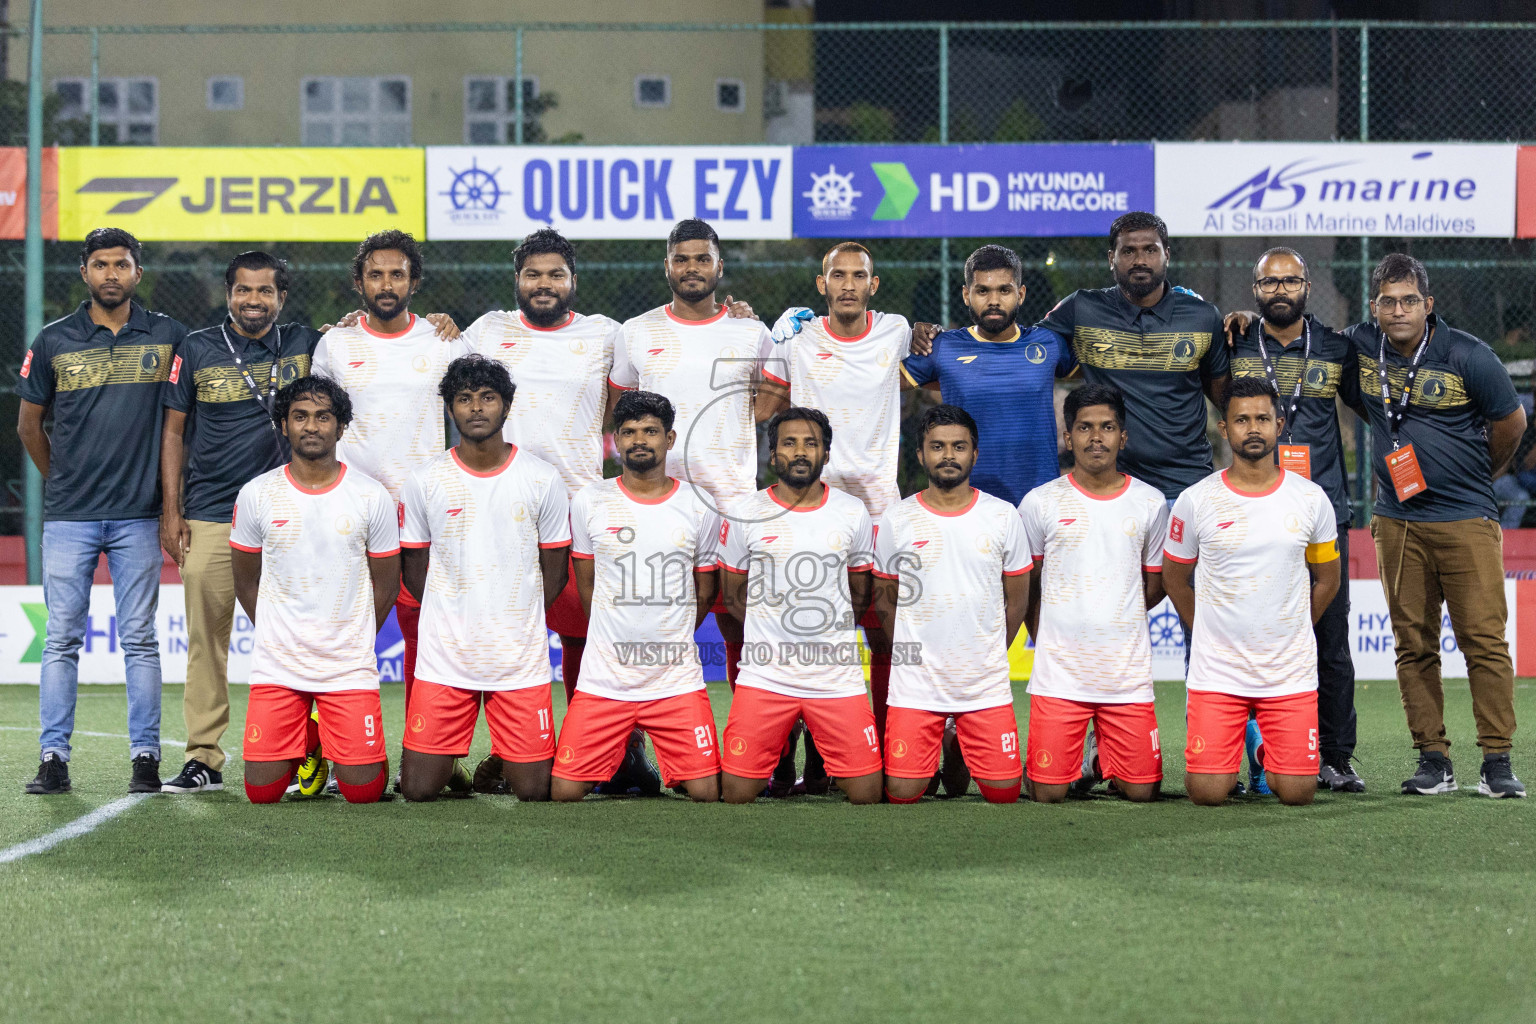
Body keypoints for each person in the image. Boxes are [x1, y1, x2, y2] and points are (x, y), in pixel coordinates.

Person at [756, 242, 942, 795]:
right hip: (808, 506)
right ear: (822, 284)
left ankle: (879, 747)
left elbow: (935, 349)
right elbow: (764, 407)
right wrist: (769, 338)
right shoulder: (799, 337)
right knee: (800, 627)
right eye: (837, 275)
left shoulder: (895, 329)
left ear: (874, 286)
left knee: (882, 631)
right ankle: (790, 758)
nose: (847, 284)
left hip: (879, 508)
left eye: (858, 276)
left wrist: (928, 331)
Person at [1343, 254, 1526, 798]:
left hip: (1467, 519)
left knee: (1484, 642)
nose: (1397, 311)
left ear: (1428, 304)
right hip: (1397, 522)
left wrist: (1479, 476)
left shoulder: (1469, 354)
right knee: (1412, 644)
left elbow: (1511, 423)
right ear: (1374, 307)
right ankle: (1433, 759)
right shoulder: (1360, 348)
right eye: (1387, 302)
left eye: (1408, 301)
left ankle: (1497, 762)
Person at [605, 219, 772, 792]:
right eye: (682, 259)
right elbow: (620, 412)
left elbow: (773, 406)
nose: (692, 268)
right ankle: (631, 756)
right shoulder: (636, 332)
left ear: (719, 267)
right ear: (668, 266)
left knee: (745, 634)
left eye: (703, 259)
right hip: (655, 512)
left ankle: (752, 755)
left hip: (733, 509)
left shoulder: (754, 335)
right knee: (648, 630)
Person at [18, 227, 186, 796]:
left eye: (122, 264)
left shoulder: (168, 336)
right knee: (61, 638)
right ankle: (53, 758)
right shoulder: (52, 340)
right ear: (85, 273)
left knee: (139, 637)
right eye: (100, 265)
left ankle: (145, 758)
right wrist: (63, 480)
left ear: (138, 272)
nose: (111, 274)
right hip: (70, 516)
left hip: (140, 516)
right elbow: (28, 425)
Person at [312, 229, 468, 792]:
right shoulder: (336, 346)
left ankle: (434, 758)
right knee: (343, 638)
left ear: (414, 281)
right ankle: (329, 758)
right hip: (351, 514)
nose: (386, 284)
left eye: (396, 274)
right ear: (359, 283)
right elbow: (316, 423)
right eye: (375, 275)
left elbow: (477, 415)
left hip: (427, 517)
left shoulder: (445, 341)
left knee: (431, 643)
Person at [1162, 377, 1341, 807]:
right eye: (1241, 420)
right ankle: (1249, 742)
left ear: (1279, 425)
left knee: (1297, 793)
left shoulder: (1312, 499)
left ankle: (1263, 752)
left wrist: (1296, 626)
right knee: (1207, 793)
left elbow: (1328, 579)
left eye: (1263, 418)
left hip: (1288, 671)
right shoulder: (1195, 500)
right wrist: (1205, 628)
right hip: (1218, 671)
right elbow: (1173, 577)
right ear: (1224, 429)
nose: (1253, 428)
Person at [397, 356, 570, 802]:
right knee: (416, 791)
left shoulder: (541, 478)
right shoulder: (425, 480)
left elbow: (554, 566)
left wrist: (519, 610)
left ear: (507, 407)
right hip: (445, 656)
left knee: (534, 790)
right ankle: (449, 759)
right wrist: (447, 606)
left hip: (518, 657)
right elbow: (414, 566)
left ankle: (501, 758)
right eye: (464, 399)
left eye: (488, 398)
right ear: (450, 408)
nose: (476, 408)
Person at [1227, 248, 1364, 794]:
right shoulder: (1233, 343)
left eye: (1290, 280)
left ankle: (1337, 757)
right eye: (1269, 282)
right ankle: (1238, 761)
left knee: (1329, 638)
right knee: (1241, 636)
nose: (1280, 290)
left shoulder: (1337, 348)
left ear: (1308, 287)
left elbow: (1371, 407)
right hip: (1245, 511)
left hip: (1320, 511)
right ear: (1255, 289)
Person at [230, 375, 400, 805]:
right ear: (283, 425)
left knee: (364, 793)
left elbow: (388, 583)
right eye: (300, 416)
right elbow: (246, 580)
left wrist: (356, 636)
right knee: (261, 793)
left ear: (341, 427)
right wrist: (276, 631)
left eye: (324, 417)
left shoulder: (370, 495)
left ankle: (326, 741)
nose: (311, 426)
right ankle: (311, 737)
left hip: (347, 666)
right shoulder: (257, 494)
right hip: (279, 666)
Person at [552, 391, 723, 802]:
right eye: (628, 432)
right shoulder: (590, 501)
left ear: (670, 438)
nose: (639, 440)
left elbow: (705, 589)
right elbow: (587, 585)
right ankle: (629, 760)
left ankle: (655, 761)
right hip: (605, 678)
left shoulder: (700, 504)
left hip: (674, 678)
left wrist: (673, 629)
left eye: (650, 431)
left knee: (707, 793)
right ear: (615, 440)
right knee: (563, 792)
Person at [717, 407, 882, 805]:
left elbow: (859, 591)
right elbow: (734, 593)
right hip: (766, 676)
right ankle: (786, 741)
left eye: (812, 443)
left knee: (868, 794)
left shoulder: (851, 511)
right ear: (773, 455)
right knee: (736, 794)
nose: (801, 452)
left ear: (826, 454)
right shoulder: (746, 511)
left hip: (834, 677)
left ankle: (819, 749)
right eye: (789, 443)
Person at [873, 405, 1031, 805]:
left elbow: (1017, 600)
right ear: (921, 454)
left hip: (983, 685)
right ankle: (941, 737)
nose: (948, 455)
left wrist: (991, 649)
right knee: (904, 794)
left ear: (974, 454)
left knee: (1005, 794)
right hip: (916, 686)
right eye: (937, 446)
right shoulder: (897, 519)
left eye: (959, 447)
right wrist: (909, 651)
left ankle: (958, 739)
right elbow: (885, 598)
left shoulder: (1002, 515)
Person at [1018, 383, 1168, 803]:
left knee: (1141, 792)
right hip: (1060, 674)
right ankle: (1079, 755)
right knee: (1047, 793)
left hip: (1126, 675)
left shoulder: (1150, 502)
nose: (1096, 437)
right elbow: (1029, 583)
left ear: (1124, 436)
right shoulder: (1039, 502)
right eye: (1084, 428)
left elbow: (1153, 585)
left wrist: (1117, 611)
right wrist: (1046, 637)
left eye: (1107, 427)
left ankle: (1101, 756)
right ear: (1068, 437)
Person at [1036, 212, 1230, 501]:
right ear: (1111, 258)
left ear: (1167, 255)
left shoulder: (1202, 316)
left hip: (1186, 488)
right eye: (1129, 251)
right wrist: (946, 336)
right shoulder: (1082, 308)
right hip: (1112, 488)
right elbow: (1021, 345)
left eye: (1150, 250)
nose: (1140, 260)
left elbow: (1224, 397)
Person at [902, 244, 1075, 506]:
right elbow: (879, 384)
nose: (993, 301)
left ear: (1021, 294)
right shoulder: (942, 346)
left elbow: (1102, 371)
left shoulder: (1048, 344)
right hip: (967, 504)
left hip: (1040, 502)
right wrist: (902, 335)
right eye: (982, 290)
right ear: (966, 295)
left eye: (1004, 290)